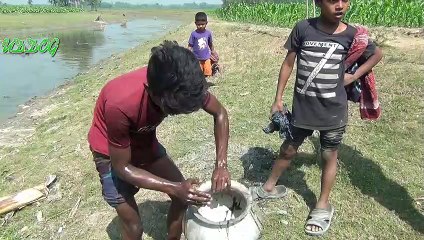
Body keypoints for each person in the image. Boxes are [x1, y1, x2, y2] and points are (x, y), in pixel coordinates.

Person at [250, 0, 383, 236]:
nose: (340, 5)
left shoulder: (353, 35)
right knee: (288, 149)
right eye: (333, 0)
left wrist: (354, 76)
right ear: (318, 2)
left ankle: (322, 206)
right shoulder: (303, 28)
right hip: (303, 109)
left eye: (345, 0)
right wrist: (278, 98)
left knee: (328, 154)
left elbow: (376, 54)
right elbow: (288, 63)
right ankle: (269, 187)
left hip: (333, 111)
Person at [87, 40, 231, 240]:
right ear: (152, 93)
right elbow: (122, 168)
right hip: (111, 153)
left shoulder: (182, 83)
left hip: (145, 141)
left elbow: (220, 114)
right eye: (174, 110)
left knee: (183, 198)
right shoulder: (119, 103)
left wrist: (221, 164)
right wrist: (172, 187)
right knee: (134, 228)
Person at [188, 12, 214, 77]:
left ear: (206, 23)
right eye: (198, 24)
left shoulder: (208, 33)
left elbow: (210, 43)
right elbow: (190, 45)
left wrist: (213, 51)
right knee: (198, 74)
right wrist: (188, 54)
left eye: (203, 24)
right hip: (197, 58)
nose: (200, 26)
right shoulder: (193, 34)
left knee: (208, 73)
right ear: (195, 23)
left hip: (206, 57)